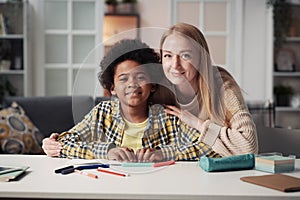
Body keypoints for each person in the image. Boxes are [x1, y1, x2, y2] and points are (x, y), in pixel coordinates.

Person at [42, 39, 220, 162]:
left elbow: (211, 148)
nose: (132, 84)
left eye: (140, 77)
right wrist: (107, 151)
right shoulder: (102, 114)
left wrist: (164, 153)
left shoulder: (169, 118)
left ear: (153, 85)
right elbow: (63, 144)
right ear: (112, 88)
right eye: (123, 79)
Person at [152, 22, 258, 157]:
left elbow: (249, 148)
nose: (175, 65)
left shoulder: (223, 88)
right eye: (168, 55)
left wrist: (199, 124)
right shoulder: (157, 88)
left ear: (202, 58)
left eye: (185, 55)